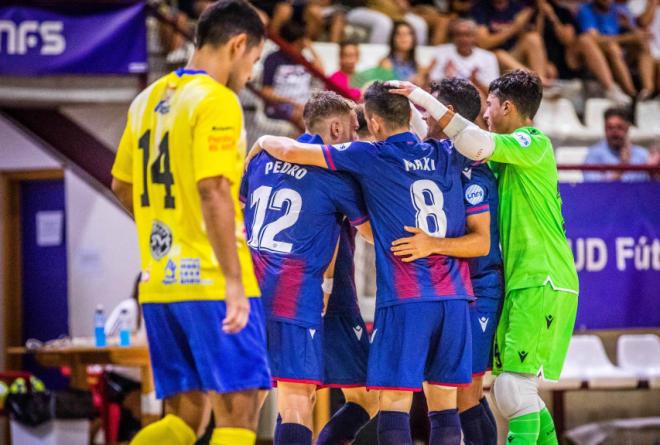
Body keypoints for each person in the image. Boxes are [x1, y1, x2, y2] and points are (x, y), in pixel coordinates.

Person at [249, 81, 491, 445]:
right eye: (352, 124)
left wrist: (262, 142)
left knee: (376, 400)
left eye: (363, 123)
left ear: (375, 123)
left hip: (287, 291)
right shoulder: (447, 154)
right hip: (450, 296)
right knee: (442, 406)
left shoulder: (360, 157)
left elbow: (250, 196)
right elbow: (479, 146)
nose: (357, 130)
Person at [110, 2, 271, 445]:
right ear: (239, 45)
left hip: (160, 282)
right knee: (239, 415)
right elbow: (214, 189)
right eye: (254, 60)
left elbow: (121, 186)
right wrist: (234, 283)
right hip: (213, 282)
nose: (252, 74)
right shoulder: (218, 99)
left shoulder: (146, 100)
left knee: (184, 419)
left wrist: (171, 227)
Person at [389, 69, 579, 444]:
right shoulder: (501, 160)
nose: (486, 114)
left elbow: (473, 142)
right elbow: (442, 140)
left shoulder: (533, 142)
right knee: (516, 392)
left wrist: (422, 96)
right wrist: (409, 109)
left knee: (510, 389)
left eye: (490, 105)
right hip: (523, 281)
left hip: (543, 278)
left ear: (507, 105)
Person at [241, 91, 373, 445]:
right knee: (296, 398)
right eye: (354, 128)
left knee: (360, 395)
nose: (357, 137)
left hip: (271, 290)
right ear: (335, 128)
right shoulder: (335, 175)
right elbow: (373, 235)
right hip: (300, 294)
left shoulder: (261, 158)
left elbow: (245, 209)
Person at [395, 78, 502, 445]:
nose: (423, 116)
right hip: (444, 292)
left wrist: (431, 244)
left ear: (449, 115)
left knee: (465, 395)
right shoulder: (431, 161)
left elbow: (481, 242)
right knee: (439, 395)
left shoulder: (474, 171)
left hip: (478, 289)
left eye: (429, 109)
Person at [578, 0, 655, 100]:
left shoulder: (620, 10)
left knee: (643, 45)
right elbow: (593, 40)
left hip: (622, 56)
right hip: (601, 58)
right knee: (612, 48)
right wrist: (626, 38)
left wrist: (630, 27)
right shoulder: (585, 10)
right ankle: (632, 94)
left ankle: (647, 92)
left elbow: (634, 35)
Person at [261, 20, 324, 129]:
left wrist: (311, 48)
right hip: (280, 106)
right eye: (300, 44)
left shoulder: (304, 59)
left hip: (304, 106)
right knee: (304, 117)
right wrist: (292, 102)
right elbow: (266, 91)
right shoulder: (273, 60)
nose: (303, 47)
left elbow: (321, 74)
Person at [473, 0, 553, 85]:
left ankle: (540, 82)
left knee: (533, 38)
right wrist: (514, 27)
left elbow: (536, 38)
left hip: (514, 54)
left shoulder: (517, 6)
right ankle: (536, 81)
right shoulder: (481, 8)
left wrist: (540, 14)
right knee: (500, 54)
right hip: (493, 57)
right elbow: (484, 43)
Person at [429, 19, 500, 95]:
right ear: (453, 37)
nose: (462, 39)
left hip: (477, 99)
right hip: (447, 97)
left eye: (467, 35)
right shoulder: (441, 52)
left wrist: (475, 81)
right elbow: (431, 86)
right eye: (458, 34)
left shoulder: (488, 57)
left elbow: (494, 93)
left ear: (475, 37)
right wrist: (448, 79)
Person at [584, 107, 650, 181]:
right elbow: (593, 186)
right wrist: (621, 167)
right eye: (610, 128)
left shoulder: (642, 155)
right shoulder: (594, 154)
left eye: (619, 127)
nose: (614, 132)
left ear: (627, 128)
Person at [346, 0, 429, 45]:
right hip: (359, 10)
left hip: (393, 13)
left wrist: (402, 5)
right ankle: (376, 56)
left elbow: (405, 6)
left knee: (419, 24)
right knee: (383, 23)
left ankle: (414, 59)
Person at [380, 21, 433, 85]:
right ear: (392, 39)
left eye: (408, 34)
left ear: (413, 39)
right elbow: (388, 86)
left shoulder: (417, 65)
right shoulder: (386, 63)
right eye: (399, 34)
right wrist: (410, 81)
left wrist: (425, 75)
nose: (403, 37)